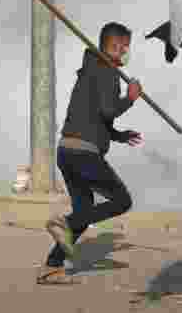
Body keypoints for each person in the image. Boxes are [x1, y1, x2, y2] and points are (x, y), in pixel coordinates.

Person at [37, 22, 143, 284]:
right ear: (104, 45)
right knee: (121, 201)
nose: (121, 52)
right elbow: (108, 110)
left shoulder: (89, 70)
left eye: (125, 47)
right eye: (116, 47)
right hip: (84, 154)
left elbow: (97, 116)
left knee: (84, 211)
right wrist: (130, 98)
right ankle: (64, 223)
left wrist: (118, 135)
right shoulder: (106, 72)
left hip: (67, 151)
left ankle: (51, 267)